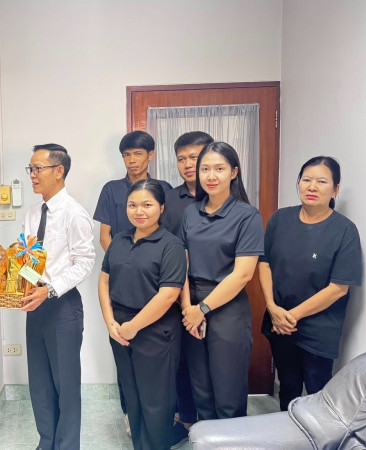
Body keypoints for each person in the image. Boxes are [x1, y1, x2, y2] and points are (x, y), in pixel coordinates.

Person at [259, 156, 362, 411]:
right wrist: (272, 307)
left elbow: (338, 288)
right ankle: (286, 431)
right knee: (287, 386)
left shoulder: (344, 230)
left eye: (322, 181)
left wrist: (291, 316)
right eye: (306, 179)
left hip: (318, 329)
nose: (312, 186)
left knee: (318, 392)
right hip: (279, 323)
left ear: (335, 189)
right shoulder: (280, 219)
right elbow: (265, 263)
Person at [93, 130, 172, 433]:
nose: (132, 160)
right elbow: (105, 236)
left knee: (156, 361)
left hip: (156, 281)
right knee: (123, 353)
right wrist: (124, 263)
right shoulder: (111, 189)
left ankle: (160, 420)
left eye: (138, 154)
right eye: (127, 155)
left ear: (150, 155)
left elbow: (170, 233)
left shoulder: (163, 189)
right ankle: (130, 414)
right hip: (121, 280)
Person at [98, 179, 186, 450]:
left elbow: (168, 294)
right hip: (119, 329)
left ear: (161, 207)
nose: (139, 211)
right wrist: (110, 322)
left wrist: (133, 326)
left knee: (156, 401)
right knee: (132, 397)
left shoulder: (171, 245)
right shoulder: (119, 240)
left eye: (147, 205)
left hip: (156, 332)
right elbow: (104, 280)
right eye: (132, 205)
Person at [179, 141, 264, 420]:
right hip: (192, 302)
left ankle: (231, 438)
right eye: (205, 169)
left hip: (227, 306)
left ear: (234, 172)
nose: (211, 176)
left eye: (219, 169)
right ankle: (205, 438)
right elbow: (183, 264)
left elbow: (243, 274)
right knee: (200, 388)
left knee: (228, 390)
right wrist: (188, 309)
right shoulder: (191, 211)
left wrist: (202, 309)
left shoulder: (247, 216)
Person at [21, 143, 96, 450]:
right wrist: (20, 284)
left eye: (38, 168)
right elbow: (28, 257)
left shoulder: (74, 213)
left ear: (59, 171)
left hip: (62, 305)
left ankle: (66, 446)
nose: (32, 174)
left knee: (66, 385)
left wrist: (49, 289)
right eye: (31, 169)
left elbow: (85, 262)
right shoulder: (32, 212)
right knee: (39, 383)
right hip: (34, 304)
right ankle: (46, 442)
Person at [162, 131, 213, 445]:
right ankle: (187, 418)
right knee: (181, 359)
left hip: (216, 293)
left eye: (195, 157)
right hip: (177, 290)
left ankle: (215, 425)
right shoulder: (170, 198)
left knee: (213, 361)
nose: (188, 164)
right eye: (182, 158)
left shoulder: (224, 196)